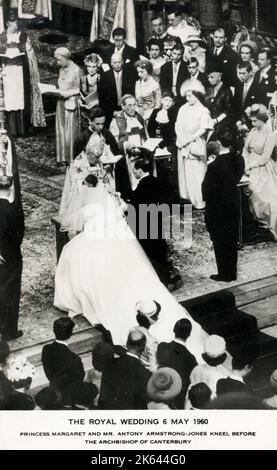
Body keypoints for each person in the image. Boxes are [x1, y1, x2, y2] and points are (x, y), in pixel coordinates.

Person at [54, 171, 206, 360]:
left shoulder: (89, 206)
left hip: (99, 242)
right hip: (120, 243)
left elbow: (77, 226)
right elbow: (122, 217)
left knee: (72, 254)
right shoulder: (111, 201)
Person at [202, 138, 244, 282]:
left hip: (217, 208)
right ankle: (232, 273)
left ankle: (223, 273)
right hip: (232, 204)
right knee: (231, 240)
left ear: (219, 144)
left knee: (219, 242)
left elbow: (205, 191)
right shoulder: (239, 159)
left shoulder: (214, 165)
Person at [0, 8, 46, 136]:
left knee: (21, 99)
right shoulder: (2, 37)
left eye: (16, 22)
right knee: (10, 100)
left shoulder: (24, 36)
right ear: (7, 23)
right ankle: (11, 129)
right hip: (7, 72)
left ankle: (22, 128)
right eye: (12, 22)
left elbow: (30, 57)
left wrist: (22, 56)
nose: (14, 25)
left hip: (21, 72)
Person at [59, 134, 115, 235]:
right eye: (96, 156)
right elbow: (79, 185)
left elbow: (103, 178)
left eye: (99, 156)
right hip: (81, 202)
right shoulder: (78, 163)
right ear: (88, 151)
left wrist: (104, 176)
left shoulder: (97, 161)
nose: (97, 159)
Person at [175, 80, 213, 208]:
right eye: (186, 95)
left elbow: (204, 128)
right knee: (184, 172)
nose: (187, 98)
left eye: (190, 95)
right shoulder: (182, 108)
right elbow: (177, 125)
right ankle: (187, 197)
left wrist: (190, 139)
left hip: (195, 143)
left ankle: (199, 199)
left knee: (197, 172)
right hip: (182, 143)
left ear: (197, 95)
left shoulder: (203, 110)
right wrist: (181, 139)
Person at [242, 104, 277, 239]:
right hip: (248, 163)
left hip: (262, 167)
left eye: (255, 120)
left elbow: (265, 157)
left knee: (259, 193)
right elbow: (245, 149)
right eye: (251, 120)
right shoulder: (252, 131)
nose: (252, 123)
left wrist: (251, 166)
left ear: (263, 119)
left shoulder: (271, 135)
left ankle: (265, 226)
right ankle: (250, 223)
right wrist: (244, 163)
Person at [41, 317, 86, 406]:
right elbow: (79, 380)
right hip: (69, 398)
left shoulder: (46, 349)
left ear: (54, 331)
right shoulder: (74, 359)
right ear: (71, 334)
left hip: (53, 389)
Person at [0, 175, 24, 341]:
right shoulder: (14, 210)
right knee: (10, 292)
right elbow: (19, 235)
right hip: (10, 256)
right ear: (10, 189)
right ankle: (9, 331)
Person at [157, 318, 197, 409]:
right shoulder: (190, 358)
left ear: (174, 330)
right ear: (189, 334)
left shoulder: (162, 346)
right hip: (176, 402)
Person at [55, 47, 83, 167]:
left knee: (71, 131)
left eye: (59, 59)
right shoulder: (61, 69)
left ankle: (72, 156)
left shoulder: (77, 70)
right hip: (61, 101)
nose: (58, 62)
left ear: (66, 58)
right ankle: (62, 157)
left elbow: (81, 88)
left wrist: (69, 93)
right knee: (61, 129)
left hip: (72, 101)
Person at [98, 53, 136, 125]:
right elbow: (102, 98)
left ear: (123, 62)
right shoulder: (105, 76)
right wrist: (112, 111)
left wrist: (125, 109)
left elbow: (132, 93)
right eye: (114, 63)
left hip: (127, 109)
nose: (117, 65)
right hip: (110, 111)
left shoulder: (129, 74)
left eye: (119, 62)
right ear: (111, 63)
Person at [205, 63, 234, 141]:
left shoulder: (227, 91)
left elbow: (228, 110)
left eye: (212, 77)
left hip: (222, 127)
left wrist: (216, 120)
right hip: (209, 124)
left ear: (219, 77)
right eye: (208, 77)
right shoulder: (208, 90)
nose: (209, 79)